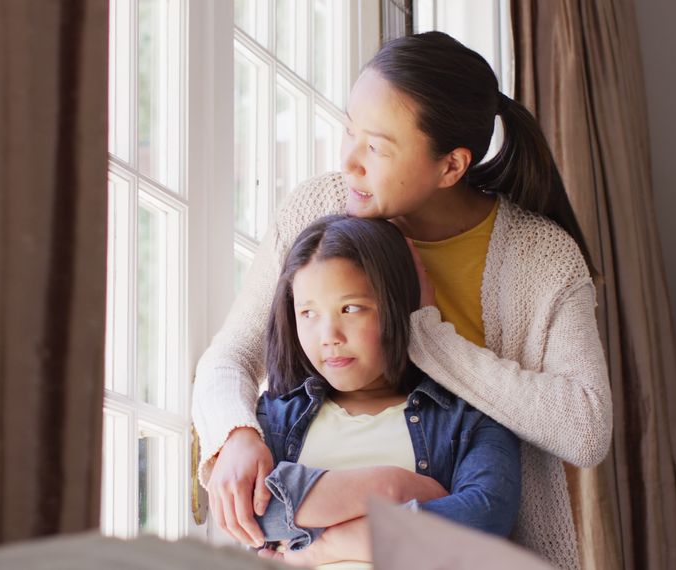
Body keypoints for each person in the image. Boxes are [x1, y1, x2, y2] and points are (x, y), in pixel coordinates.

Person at [192, 31, 612, 569]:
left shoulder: (542, 260)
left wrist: (428, 334)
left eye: (377, 147)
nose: (349, 162)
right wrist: (235, 436)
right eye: (349, 131)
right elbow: (230, 356)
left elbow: (586, 429)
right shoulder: (318, 210)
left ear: (451, 166)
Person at [251, 215, 521, 568]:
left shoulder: (468, 419)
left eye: (350, 308)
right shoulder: (274, 418)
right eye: (308, 313)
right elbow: (254, 513)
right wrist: (390, 486)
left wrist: (336, 543)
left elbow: (482, 522)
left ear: (395, 304)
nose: (329, 334)